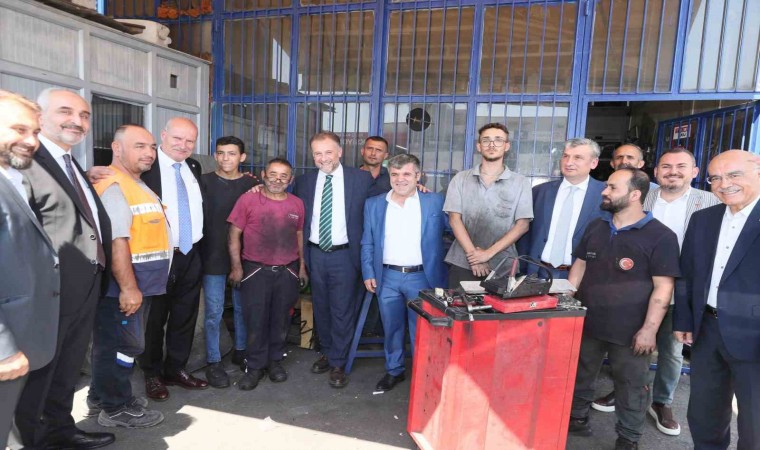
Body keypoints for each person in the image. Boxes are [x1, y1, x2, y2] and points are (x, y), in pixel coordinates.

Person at [591, 148, 719, 436]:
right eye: (666, 166)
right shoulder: (641, 196)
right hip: (636, 288)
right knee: (630, 344)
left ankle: (662, 401)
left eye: (681, 166)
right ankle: (624, 391)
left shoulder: (711, 201)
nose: (673, 171)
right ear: (656, 171)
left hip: (681, 289)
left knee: (671, 349)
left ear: (695, 172)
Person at [16, 88, 115, 450]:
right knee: (37, 374)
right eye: (65, 111)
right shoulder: (24, 162)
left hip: (85, 285)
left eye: (84, 115)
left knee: (67, 366)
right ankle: (30, 440)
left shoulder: (70, 163)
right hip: (47, 292)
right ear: (39, 117)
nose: (77, 121)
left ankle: (60, 430)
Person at [567, 168, 680, 450]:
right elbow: (580, 265)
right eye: (606, 186)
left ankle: (628, 438)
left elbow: (663, 287)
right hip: (588, 320)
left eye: (612, 188)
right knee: (580, 373)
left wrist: (649, 330)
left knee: (631, 385)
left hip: (631, 329)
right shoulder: (596, 226)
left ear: (634, 195)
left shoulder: (661, 236)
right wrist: (567, 304)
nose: (605, 192)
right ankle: (577, 419)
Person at [674, 149, 760, 449]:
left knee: (755, 424)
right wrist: (684, 319)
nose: (724, 184)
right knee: (704, 414)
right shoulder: (703, 219)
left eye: (734, 175)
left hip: (754, 336)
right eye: (715, 178)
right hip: (707, 331)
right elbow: (686, 274)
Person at [87, 125, 170, 428]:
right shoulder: (114, 185)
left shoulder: (134, 182)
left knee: (110, 344)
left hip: (140, 283)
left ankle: (101, 396)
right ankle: (116, 408)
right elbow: (117, 240)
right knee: (124, 347)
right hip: (125, 286)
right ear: (116, 148)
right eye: (140, 146)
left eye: (152, 147)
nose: (149, 153)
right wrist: (128, 288)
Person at [0, 90, 59, 448]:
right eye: (19, 129)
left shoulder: (13, 177)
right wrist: (3, 348)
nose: (31, 140)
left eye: (35, 131)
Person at [292, 131, 373, 388]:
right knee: (321, 306)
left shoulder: (361, 179)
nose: (323, 158)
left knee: (342, 308)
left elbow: (389, 195)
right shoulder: (304, 182)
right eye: (318, 153)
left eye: (328, 152)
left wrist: (419, 188)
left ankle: (339, 361)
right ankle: (327, 352)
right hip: (315, 254)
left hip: (345, 255)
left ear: (340, 152)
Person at [360, 153, 447, 392]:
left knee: (422, 329)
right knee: (392, 327)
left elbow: (454, 230)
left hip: (422, 277)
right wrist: (368, 271)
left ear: (418, 176)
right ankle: (394, 370)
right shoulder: (374, 204)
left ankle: (424, 374)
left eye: (407, 174)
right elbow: (367, 241)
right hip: (387, 277)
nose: (400, 179)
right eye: (395, 174)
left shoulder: (435, 202)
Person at [137, 117, 208, 399]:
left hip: (191, 253)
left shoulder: (193, 167)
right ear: (163, 135)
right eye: (178, 138)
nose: (183, 145)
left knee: (185, 315)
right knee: (154, 319)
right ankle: (152, 374)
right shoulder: (146, 167)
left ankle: (175, 369)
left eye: (190, 140)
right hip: (159, 256)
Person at [228, 157, 307, 390]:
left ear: (290, 180)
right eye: (273, 174)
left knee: (281, 320)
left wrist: (302, 267)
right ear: (263, 175)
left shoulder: (297, 204)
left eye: (283, 176)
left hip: (287, 271)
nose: (277, 180)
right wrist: (236, 267)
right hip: (255, 271)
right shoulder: (248, 199)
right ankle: (254, 367)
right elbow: (234, 234)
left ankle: (274, 362)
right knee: (256, 320)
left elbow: (300, 235)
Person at [443, 122, 532, 288]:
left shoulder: (521, 183)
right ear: (479, 146)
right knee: (459, 304)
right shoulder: (460, 179)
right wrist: (475, 257)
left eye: (498, 140)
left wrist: (487, 254)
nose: (492, 145)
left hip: (503, 265)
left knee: (497, 306)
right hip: (463, 262)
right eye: (486, 140)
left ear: (506, 146)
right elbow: (454, 220)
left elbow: (522, 225)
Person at [200, 136, 258, 388]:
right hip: (211, 254)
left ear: (242, 157)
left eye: (232, 153)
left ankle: (241, 351)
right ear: (215, 155)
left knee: (242, 308)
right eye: (221, 153)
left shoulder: (252, 184)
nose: (226, 158)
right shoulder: (203, 182)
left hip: (243, 256)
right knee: (214, 311)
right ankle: (213, 361)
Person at [518, 138, 605, 279]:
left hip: (582, 277)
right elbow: (526, 235)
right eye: (565, 156)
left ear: (594, 163)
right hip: (537, 273)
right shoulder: (540, 192)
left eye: (577, 157)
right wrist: (523, 269)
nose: (569, 162)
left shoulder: (605, 194)